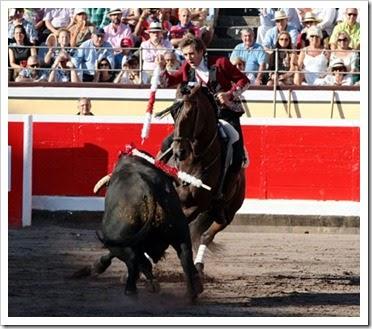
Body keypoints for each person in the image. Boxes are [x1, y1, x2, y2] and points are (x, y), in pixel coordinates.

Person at [156, 36, 249, 223]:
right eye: (185, 55)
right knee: (169, 142)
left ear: (201, 52)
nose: (189, 58)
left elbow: (244, 81)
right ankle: (158, 184)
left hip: (225, 114)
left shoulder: (220, 63)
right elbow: (169, 81)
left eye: (192, 54)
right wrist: (160, 70)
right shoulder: (187, 68)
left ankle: (222, 199)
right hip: (200, 119)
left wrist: (229, 94)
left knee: (236, 154)